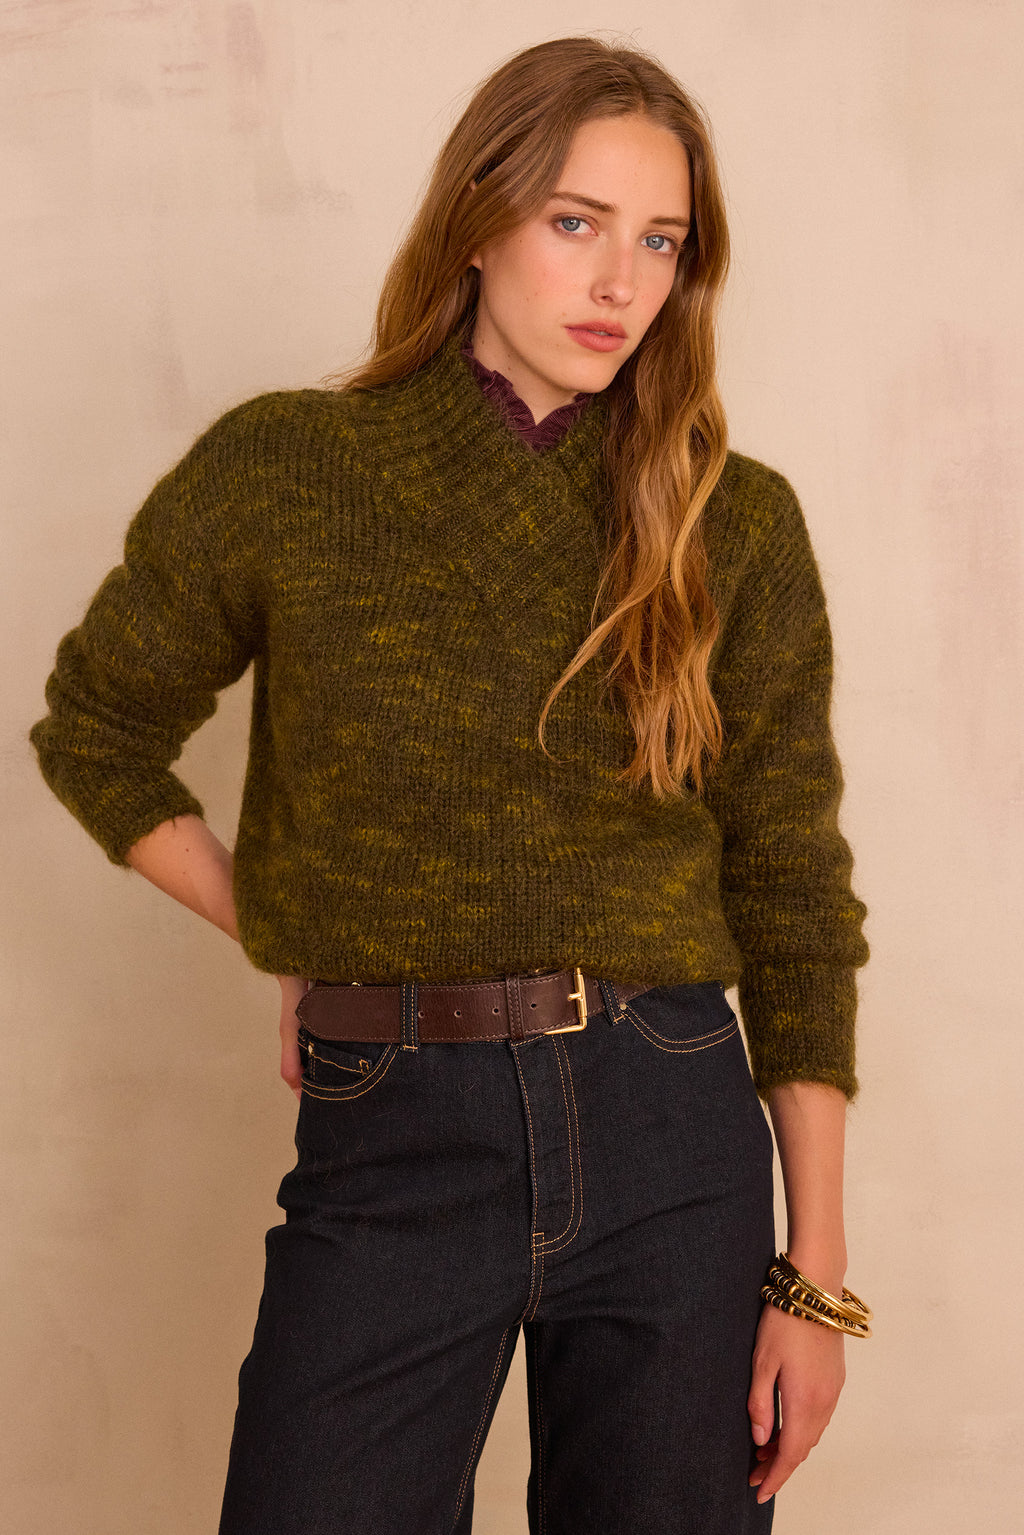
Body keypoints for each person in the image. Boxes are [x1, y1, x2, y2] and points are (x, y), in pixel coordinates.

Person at [29, 34, 871, 1535]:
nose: (619, 281)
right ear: (478, 221)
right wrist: (289, 927)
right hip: (394, 1122)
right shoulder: (290, 468)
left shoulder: (730, 520)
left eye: (660, 241)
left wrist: (815, 1273)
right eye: (576, 221)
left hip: (671, 1123)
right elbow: (95, 728)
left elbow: (794, 890)